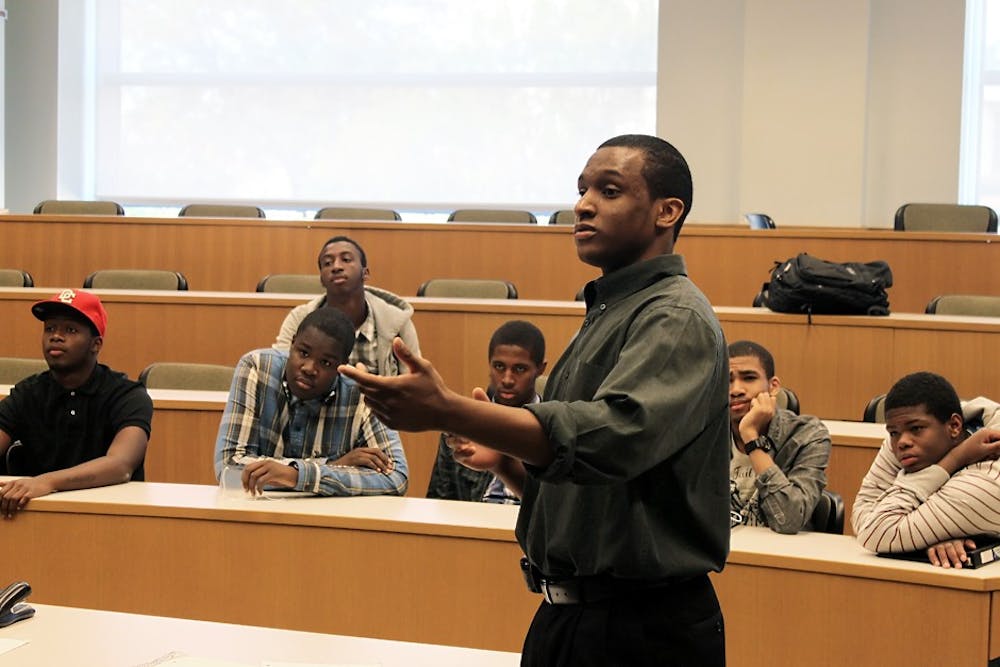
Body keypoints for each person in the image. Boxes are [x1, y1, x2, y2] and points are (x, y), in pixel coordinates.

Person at [341, 134, 730, 666]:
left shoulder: (674, 316)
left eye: (609, 191)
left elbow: (613, 438)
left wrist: (449, 409)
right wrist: (506, 463)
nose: (583, 205)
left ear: (667, 211)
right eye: (582, 189)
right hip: (570, 616)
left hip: (641, 629)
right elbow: (587, 496)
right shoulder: (611, 310)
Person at [215, 307, 408, 497]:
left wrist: (296, 476)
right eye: (304, 353)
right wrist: (330, 467)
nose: (309, 368)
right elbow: (229, 469)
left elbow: (396, 477)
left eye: (326, 363)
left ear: (341, 366)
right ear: (292, 344)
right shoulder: (257, 368)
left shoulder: (360, 395)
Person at [0, 289, 152, 517]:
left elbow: (120, 465)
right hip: (34, 517)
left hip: (110, 517)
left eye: (70, 330)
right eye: (50, 328)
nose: (56, 336)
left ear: (96, 344)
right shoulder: (28, 392)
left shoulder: (127, 395)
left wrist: (47, 482)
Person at [853, 371, 1000, 568]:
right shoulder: (904, 439)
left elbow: (875, 531)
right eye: (893, 432)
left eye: (916, 429)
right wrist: (955, 459)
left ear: (955, 426)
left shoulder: (990, 479)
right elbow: (863, 514)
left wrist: (924, 534)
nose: (902, 442)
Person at [426, 320, 547, 504]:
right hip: (474, 520)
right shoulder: (462, 428)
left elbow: (558, 508)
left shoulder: (551, 431)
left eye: (519, 369)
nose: (507, 379)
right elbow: (439, 502)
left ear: (540, 369)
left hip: (529, 521)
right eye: (499, 367)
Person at [273, 235, 420, 376]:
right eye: (327, 263)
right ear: (322, 279)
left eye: (346, 259)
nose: (336, 267)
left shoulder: (396, 321)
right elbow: (279, 369)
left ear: (365, 273)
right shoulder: (300, 318)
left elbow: (414, 382)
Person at [727, 339, 831, 533]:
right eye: (727, 381)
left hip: (775, 549)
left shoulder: (807, 435)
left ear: (773, 386)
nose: (736, 390)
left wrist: (751, 438)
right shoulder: (705, 432)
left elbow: (789, 520)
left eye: (749, 378)